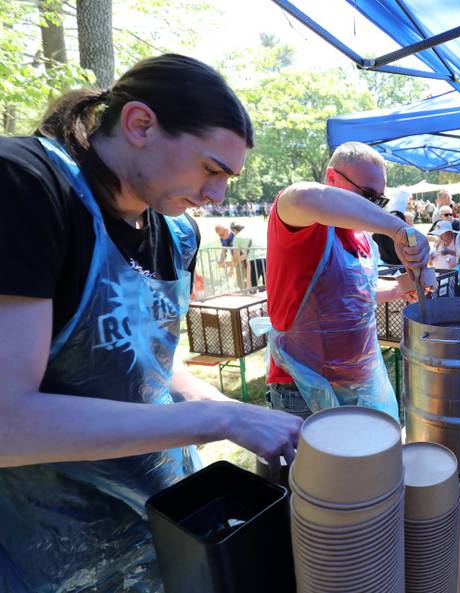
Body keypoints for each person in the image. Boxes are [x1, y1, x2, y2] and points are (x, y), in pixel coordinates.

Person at [0, 54, 304, 592]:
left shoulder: (177, 233)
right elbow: (8, 423)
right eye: (211, 169)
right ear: (140, 124)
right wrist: (223, 424)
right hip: (51, 552)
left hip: (167, 526)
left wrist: (236, 411)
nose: (216, 197)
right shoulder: (26, 186)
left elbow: (151, 369)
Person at [265, 142, 428, 421]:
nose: (372, 207)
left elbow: (350, 295)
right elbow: (305, 196)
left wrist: (401, 288)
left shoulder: (364, 238)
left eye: (379, 200)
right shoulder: (302, 222)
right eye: (366, 195)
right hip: (304, 391)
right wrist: (398, 228)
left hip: (360, 384)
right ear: (332, 178)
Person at [372, 188, 410, 266]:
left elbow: (374, 240)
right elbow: (414, 246)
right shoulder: (408, 228)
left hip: (384, 266)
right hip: (403, 267)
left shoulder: (380, 224)